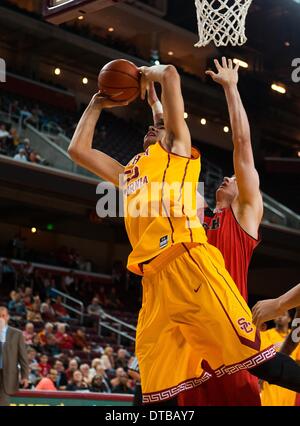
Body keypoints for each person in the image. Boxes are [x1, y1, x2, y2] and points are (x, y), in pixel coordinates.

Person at [68, 62, 300, 404]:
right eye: (151, 125)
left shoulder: (176, 155)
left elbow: (173, 79)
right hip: (154, 282)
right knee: (152, 385)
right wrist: (97, 103)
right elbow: (78, 151)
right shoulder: (130, 173)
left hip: (189, 266)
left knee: (257, 361)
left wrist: (154, 74)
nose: (152, 126)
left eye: (159, 126)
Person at [178, 57, 263, 406]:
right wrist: (157, 106)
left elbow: (242, 146)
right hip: (191, 346)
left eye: (234, 179)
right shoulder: (198, 218)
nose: (227, 178)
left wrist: (231, 88)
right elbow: (174, 167)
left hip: (232, 337)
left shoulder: (244, 216)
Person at [260, 312, 300, 406]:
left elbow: (298, 361)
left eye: (283, 314)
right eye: (278, 314)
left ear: (290, 319)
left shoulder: (295, 336)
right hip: (271, 382)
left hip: (289, 382)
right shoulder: (266, 334)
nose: (279, 316)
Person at [0, 306, 29, 406]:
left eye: (3, 316)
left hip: (8, 375)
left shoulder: (17, 334)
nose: (1, 318)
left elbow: (23, 357)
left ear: (7, 317)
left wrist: (25, 376)